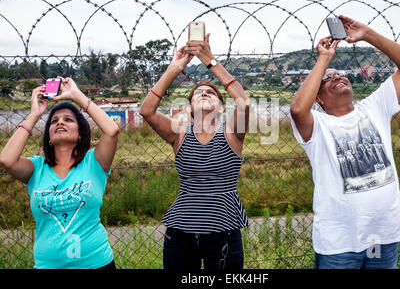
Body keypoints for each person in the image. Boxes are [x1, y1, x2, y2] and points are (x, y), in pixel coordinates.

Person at [289, 15, 400, 269]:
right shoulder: (317, 126)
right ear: (319, 99)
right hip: (339, 243)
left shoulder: (375, 107)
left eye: (340, 74)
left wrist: (368, 34)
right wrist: (324, 59)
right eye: (328, 79)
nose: (337, 77)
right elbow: (297, 109)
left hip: (382, 237)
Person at [139, 33, 250, 270]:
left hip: (224, 231)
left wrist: (210, 60)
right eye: (198, 93)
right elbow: (147, 110)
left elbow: (243, 103)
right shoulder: (179, 133)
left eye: (210, 93)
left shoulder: (231, 132)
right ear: (190, 108)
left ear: (221, 107)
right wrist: (175, 68)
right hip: (180, 232)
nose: (203, 93)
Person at [0, 77, 119, 269]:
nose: (60, 122)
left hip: (96, 263)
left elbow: (112, 130)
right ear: (48, 136)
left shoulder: (94, 163)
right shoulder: (36, 168)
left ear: (80, 134)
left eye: (68, 120)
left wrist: (76, 95)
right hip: (48, 265)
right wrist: (34, 115)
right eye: (54, 121)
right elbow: (6, 159)